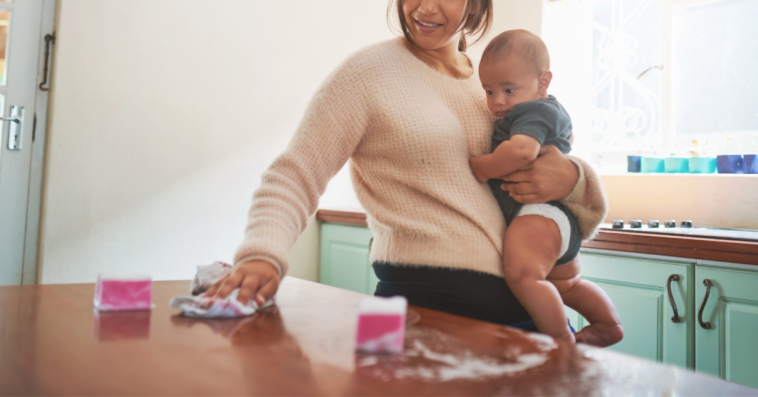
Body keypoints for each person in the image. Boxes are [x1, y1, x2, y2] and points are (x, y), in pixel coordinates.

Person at [205, 0, 608, 338]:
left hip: (528, 317)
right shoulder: (367, 74)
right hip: (421, 316)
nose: (425, 6)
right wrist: (262, 256)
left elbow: (551, 170)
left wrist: (574, 178)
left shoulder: (494, 85)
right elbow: (295, 174)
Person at [469, 30, 623, 346]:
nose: (497, 101)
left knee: (523, 276)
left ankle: (560, 341)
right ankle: (607, 325)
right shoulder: (545, 108)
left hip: (539, 214)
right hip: (558, 218)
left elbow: (522, 151)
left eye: (508, 89)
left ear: (543, 83)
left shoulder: (531, 111)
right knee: (567, 284)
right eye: (488, 91)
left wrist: (481, 166)